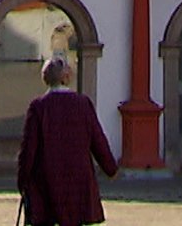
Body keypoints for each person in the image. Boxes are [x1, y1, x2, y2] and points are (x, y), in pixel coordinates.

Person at [17, 58, 117, 226]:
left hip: (46, 179)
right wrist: (110, 169)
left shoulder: (38, 107)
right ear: (66, 77)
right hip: (77, 180)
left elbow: (28, 148)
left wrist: (23, 179)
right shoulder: (82, 104)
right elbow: (98, 140)